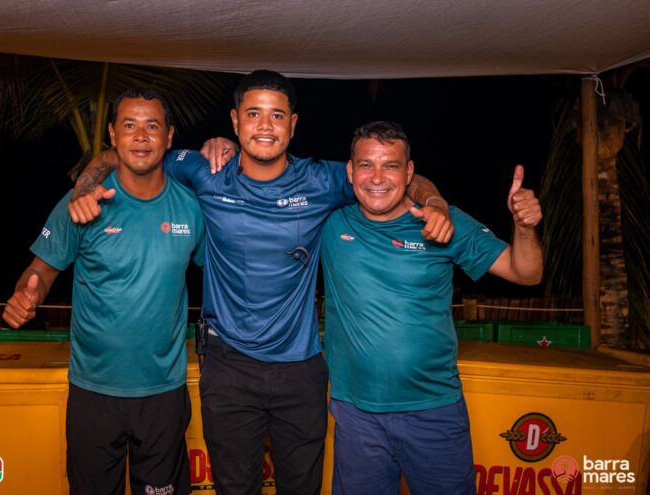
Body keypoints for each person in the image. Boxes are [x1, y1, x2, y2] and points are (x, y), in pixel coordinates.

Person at [67, 70, 453, 495]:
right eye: (253, 114)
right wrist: (84, 186)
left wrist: (435, 202)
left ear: (293, 124)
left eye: (276, 115)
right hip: (228, 366)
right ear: (235, 121)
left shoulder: (321, 180)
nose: (265, 126)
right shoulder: (205, 170)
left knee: (301, 488)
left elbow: (396, 177)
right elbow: (125, 154)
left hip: (300, 368)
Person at [320, 121, 543, 495]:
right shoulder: (330, 222)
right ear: (350, 171)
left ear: (409, 172)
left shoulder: (443, 223)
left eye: (391, 165)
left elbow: (527, 273)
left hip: (433, 412)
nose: (377, 178)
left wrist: (524, 228)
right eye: (366, 165)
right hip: (357, 415)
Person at [3, 89, 204, 495]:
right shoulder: (81, 203)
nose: (141, 136)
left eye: (152, 126)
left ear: (169, 137)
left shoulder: (192, 208)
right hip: (93, 391)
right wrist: (27, 294)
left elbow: (223, 269)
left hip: (163, 393)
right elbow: (41, 269)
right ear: (113, 134)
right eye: (129, 125)